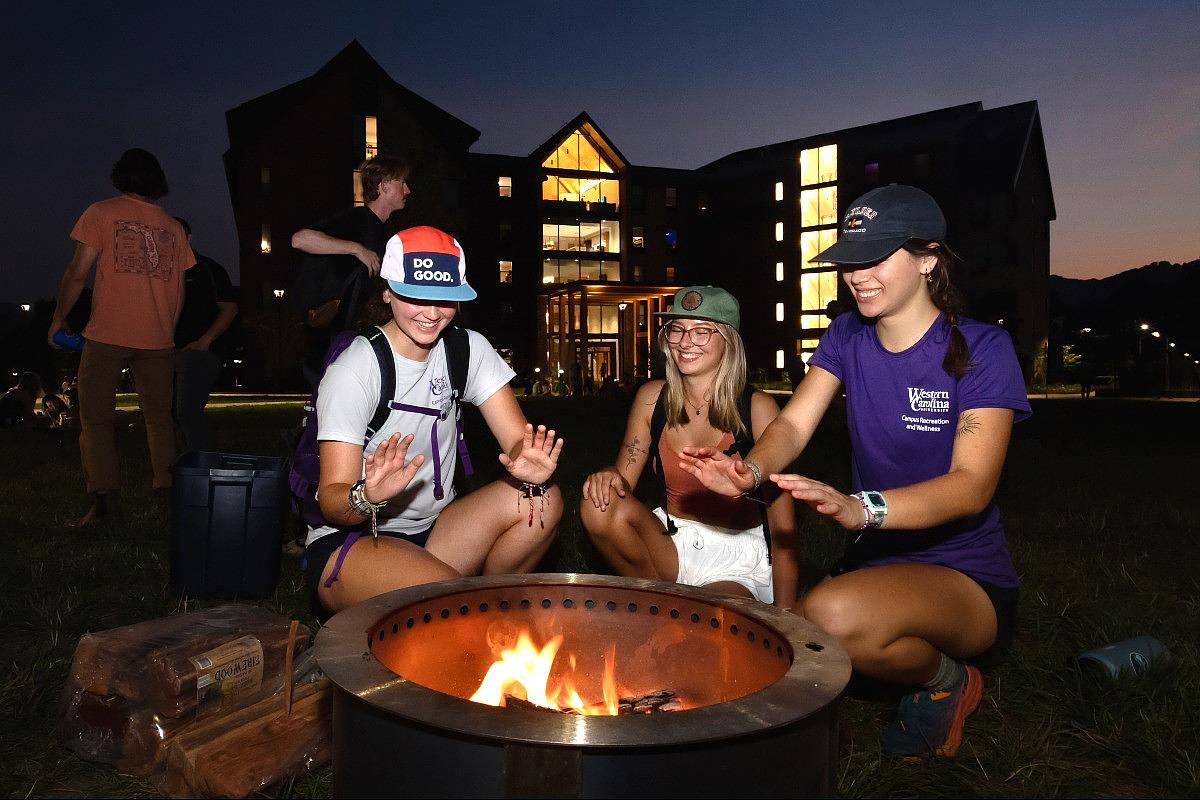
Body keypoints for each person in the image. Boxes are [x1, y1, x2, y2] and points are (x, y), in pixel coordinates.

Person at [680, 186, 1030, 758]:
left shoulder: (981, 348)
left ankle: (950, 680)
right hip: (875, 559)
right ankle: (924, 675)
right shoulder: (846, 335)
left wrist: (863, 508)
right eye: (849, 260)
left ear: (927, 258)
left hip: (964, 572)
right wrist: (748, 472)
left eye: (876, 258)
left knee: (829, 619)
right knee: (800, 643)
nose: (855, 275)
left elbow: (972, 485)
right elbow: (793, 427)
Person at [306, 226, 565, 613]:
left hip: (437, 530)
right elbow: (332, 501)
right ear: (387, 291)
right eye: (416, 297)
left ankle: (497, 609)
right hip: (355, 538)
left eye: (445, 300)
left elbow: (516, 439)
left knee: (544, 501)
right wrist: (367, 495)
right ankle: (463, 608)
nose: (431, 313)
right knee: (452, 604)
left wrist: (526, 460)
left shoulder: (466, 349)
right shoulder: (355, 369)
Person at [580, 286, 799, 609]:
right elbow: (623, 479)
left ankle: (661, 613)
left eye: (701, 332)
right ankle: (654, 604)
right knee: (598, 504)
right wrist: (608, 476)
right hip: (671, 541)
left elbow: (784, 526)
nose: (685, 342)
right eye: (677, 330)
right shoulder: (652, 399)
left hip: (735, 558)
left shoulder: (757, 408)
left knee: (705, 629)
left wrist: (787, 618)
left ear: (728, 341)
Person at [48, 148, 194, 525]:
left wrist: (59, 318)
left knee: (95, 419)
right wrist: (166, 331)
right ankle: (165, 498)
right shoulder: (173, 227)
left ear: (119, 176)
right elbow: (178, 292)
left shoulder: (101, 213)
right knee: (159, 420)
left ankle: (105, 503)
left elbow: (78, 273)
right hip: (159, 338)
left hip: (107, 335)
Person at [291, 153, 412, 385]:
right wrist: (357, 249)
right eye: (402, 182)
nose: (408, 190)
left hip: (353, 339)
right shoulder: (357, 219)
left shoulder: (382, 232)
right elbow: (300, 239)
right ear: (385, 186)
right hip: (332, 342)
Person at [172, 217, 238, 453]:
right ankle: (180, 465)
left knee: (187, 411)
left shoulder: (206, 269)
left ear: (188, 238)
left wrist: (205, 341)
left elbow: (229, 308)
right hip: (169, 351)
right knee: (170, 412)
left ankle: (200, 464)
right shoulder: (164, 272)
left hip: (199, 353)